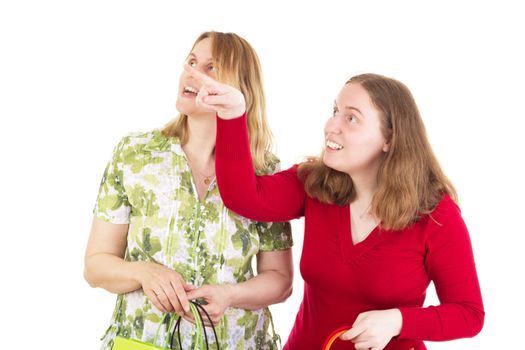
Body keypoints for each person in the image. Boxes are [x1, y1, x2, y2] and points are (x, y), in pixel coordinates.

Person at [183, 66, 485, 350]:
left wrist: (398, 321)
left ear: (389, 139)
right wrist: (234, 114)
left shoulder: (435, 215)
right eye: (335, 112)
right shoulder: (314, 184)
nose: (332, 126)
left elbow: (469, 314)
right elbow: (244, 197)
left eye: (351, 118)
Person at [84, 31, 293, 350]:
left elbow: (280, 281)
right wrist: (143, 272)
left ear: (240, 89)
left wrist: (230, 295)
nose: (192, 73)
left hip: (237, 343)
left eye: (212, 67)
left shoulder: (264, 171)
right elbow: (96, 265)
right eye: (192, 61)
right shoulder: (135, 154)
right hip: (143, 341)